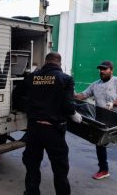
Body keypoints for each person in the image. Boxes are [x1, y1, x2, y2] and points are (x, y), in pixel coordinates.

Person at [15, 52, 82, 195]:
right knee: (60, 168)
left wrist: (29, 108)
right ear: (60, 63)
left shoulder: (32, 77)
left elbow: (16, 94)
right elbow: (68, 105)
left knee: (32, 165)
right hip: (54, 131)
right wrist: (74, 114)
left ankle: (32, 192)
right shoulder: (66, 79)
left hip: (34, 129)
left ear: (45, 62)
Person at [74, 61, 117, 189]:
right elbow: (83, 95)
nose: (102, 71)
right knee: (100, 144)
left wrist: (113, 104)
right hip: (102, 119)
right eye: (100, 69)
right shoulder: (95, 85)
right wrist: (73, 94)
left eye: (105, 69)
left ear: (111, 70)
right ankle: (103, 169)